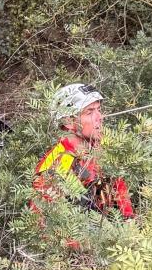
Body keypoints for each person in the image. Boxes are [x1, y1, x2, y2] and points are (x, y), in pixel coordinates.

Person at [33, 83, 134, 219]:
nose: (100, 117)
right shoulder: (55, 168)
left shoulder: (100, 147)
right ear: (68, 121)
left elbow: (119, 189)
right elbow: (44, 226)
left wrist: (129, 223)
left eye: (99, 110)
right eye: (90, 112)